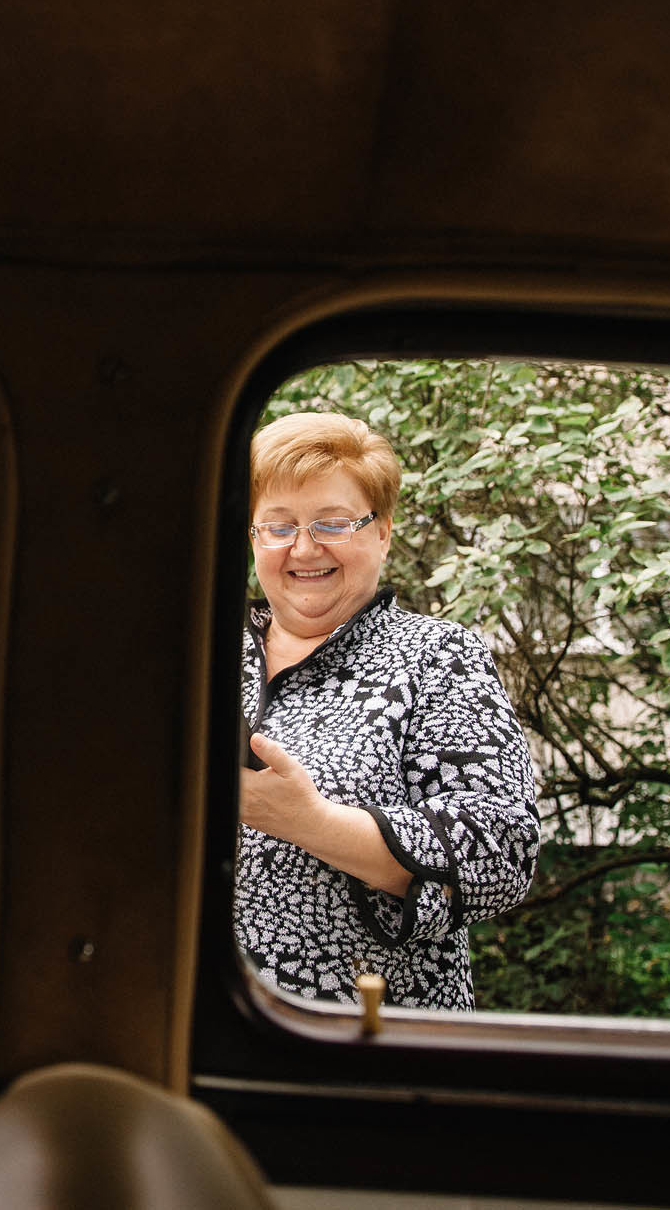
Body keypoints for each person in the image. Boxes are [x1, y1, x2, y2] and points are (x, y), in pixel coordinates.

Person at [237, 413, 539, 1010]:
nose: (303, 547)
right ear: (252, 538)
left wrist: (311, 823)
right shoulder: (193, 651)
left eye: (331, 523)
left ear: (382, 533)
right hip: (200, 1023)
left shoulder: (437, 658)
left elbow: (502, 852)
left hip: (366, 1038)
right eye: (278, 526)